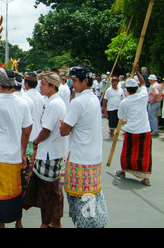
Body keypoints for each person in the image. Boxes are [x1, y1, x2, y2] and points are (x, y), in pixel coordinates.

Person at [0, 67, 32, 228]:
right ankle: (19, 222)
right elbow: (27, 130)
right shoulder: (22, 103)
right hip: (13, 154)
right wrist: (23, 152)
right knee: (15, 190)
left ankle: (1, 225)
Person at [60, 66, 109, 228]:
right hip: (93, 158)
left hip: (79, 159)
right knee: (93, 198)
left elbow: (64, 131)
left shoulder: (78, 102)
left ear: (85, 81)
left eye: (74, 81)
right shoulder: (94, 98)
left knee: (82, 202)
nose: (72, 85)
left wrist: (65, 124)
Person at [23, 72, 68, 228]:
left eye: (43, 84)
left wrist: (35, 143)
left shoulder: (54, 104)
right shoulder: (54, 102)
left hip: (49, 152)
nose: (40, 87)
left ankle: (47, 223)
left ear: (52, 86)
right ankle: (54, 223)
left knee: (49, 192)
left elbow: (46, 130)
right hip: (52, 151)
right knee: (50, 190)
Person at [116, 65, 152, 186]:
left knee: (127, 152)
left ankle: (123, 171)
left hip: (131, 130)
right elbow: (143, 83)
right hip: (144, 130)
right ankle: (145, 178)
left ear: (126, 89)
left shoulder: (124, 102)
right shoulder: (143, 95)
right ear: (136, 88)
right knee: (144, 154)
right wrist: (136, 71)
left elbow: (121, 117)